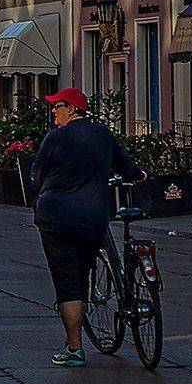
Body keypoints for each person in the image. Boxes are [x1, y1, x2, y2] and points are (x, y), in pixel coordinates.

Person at [30, 88, 145, 367]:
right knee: (82, 271)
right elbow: (125, 166)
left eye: (57, 106)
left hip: (57, 218)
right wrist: (139, 174)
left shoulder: (55, 137)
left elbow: (37, 174)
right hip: (92, 217)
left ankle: (74, 349)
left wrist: (42, 191)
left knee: (68, 282)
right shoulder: (103, 134)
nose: (53, 112)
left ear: (71, 109)